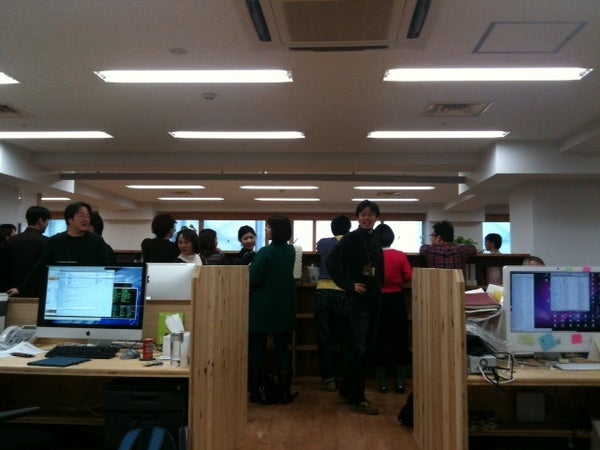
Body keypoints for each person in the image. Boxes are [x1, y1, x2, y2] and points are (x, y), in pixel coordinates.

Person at [327, 200, 384, 415]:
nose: (367, 218)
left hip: (373, 301)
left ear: (376, 217)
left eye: (371, 214)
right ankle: (357, 399)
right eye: (363, 214)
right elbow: (331, 262)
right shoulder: (351, 238)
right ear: (358, 217)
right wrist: (349, 285)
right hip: (357, 303)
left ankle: (347, 390)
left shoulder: (375, 239)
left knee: (363, 350)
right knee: (357, 351)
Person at [7, 202, 109, 297]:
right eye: (81, 216)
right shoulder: (56, 241)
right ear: (69, 219)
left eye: (88, 216)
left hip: (87, 290)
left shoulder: (97, 241)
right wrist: (20, 288)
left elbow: (107, 266)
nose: (86, 219)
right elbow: (40, 266)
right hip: (60, 290)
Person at [248, 215, 298, 404]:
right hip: (284, 306)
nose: (266, 230)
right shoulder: (291, 251)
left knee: (257, 350)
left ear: (277, 230)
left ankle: (256, 392)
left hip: (264, 306)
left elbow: (255, 278)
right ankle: (285, 392)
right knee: (283, 349)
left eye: (269, 227)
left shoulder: (265, 252)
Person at [372, 223, 412, 394]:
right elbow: (408, 276)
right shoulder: (400, 255)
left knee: (378, 340)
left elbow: (367, 276)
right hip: (396, 300)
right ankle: (400, 382)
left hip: (377, 300)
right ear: (391, 238)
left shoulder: (372, 255)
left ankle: (382, 382)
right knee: (400, 339)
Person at [314, 215, 351, 392]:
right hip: (343, 292)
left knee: (324, 338)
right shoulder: (352, 242)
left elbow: (318, 249)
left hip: (322, 291)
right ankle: (346, 379)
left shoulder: (323, 242)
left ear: (332, 229)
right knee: (346, 339)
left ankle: (329, 380)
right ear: (349, 229)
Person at [4, 206, 51, 297]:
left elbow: (5, 267)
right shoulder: (46, 242)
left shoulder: (12, 240)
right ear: (40, 221)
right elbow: (40, 269)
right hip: (36, 291)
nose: (47, 224)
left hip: (11, 291)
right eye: (47, 221)